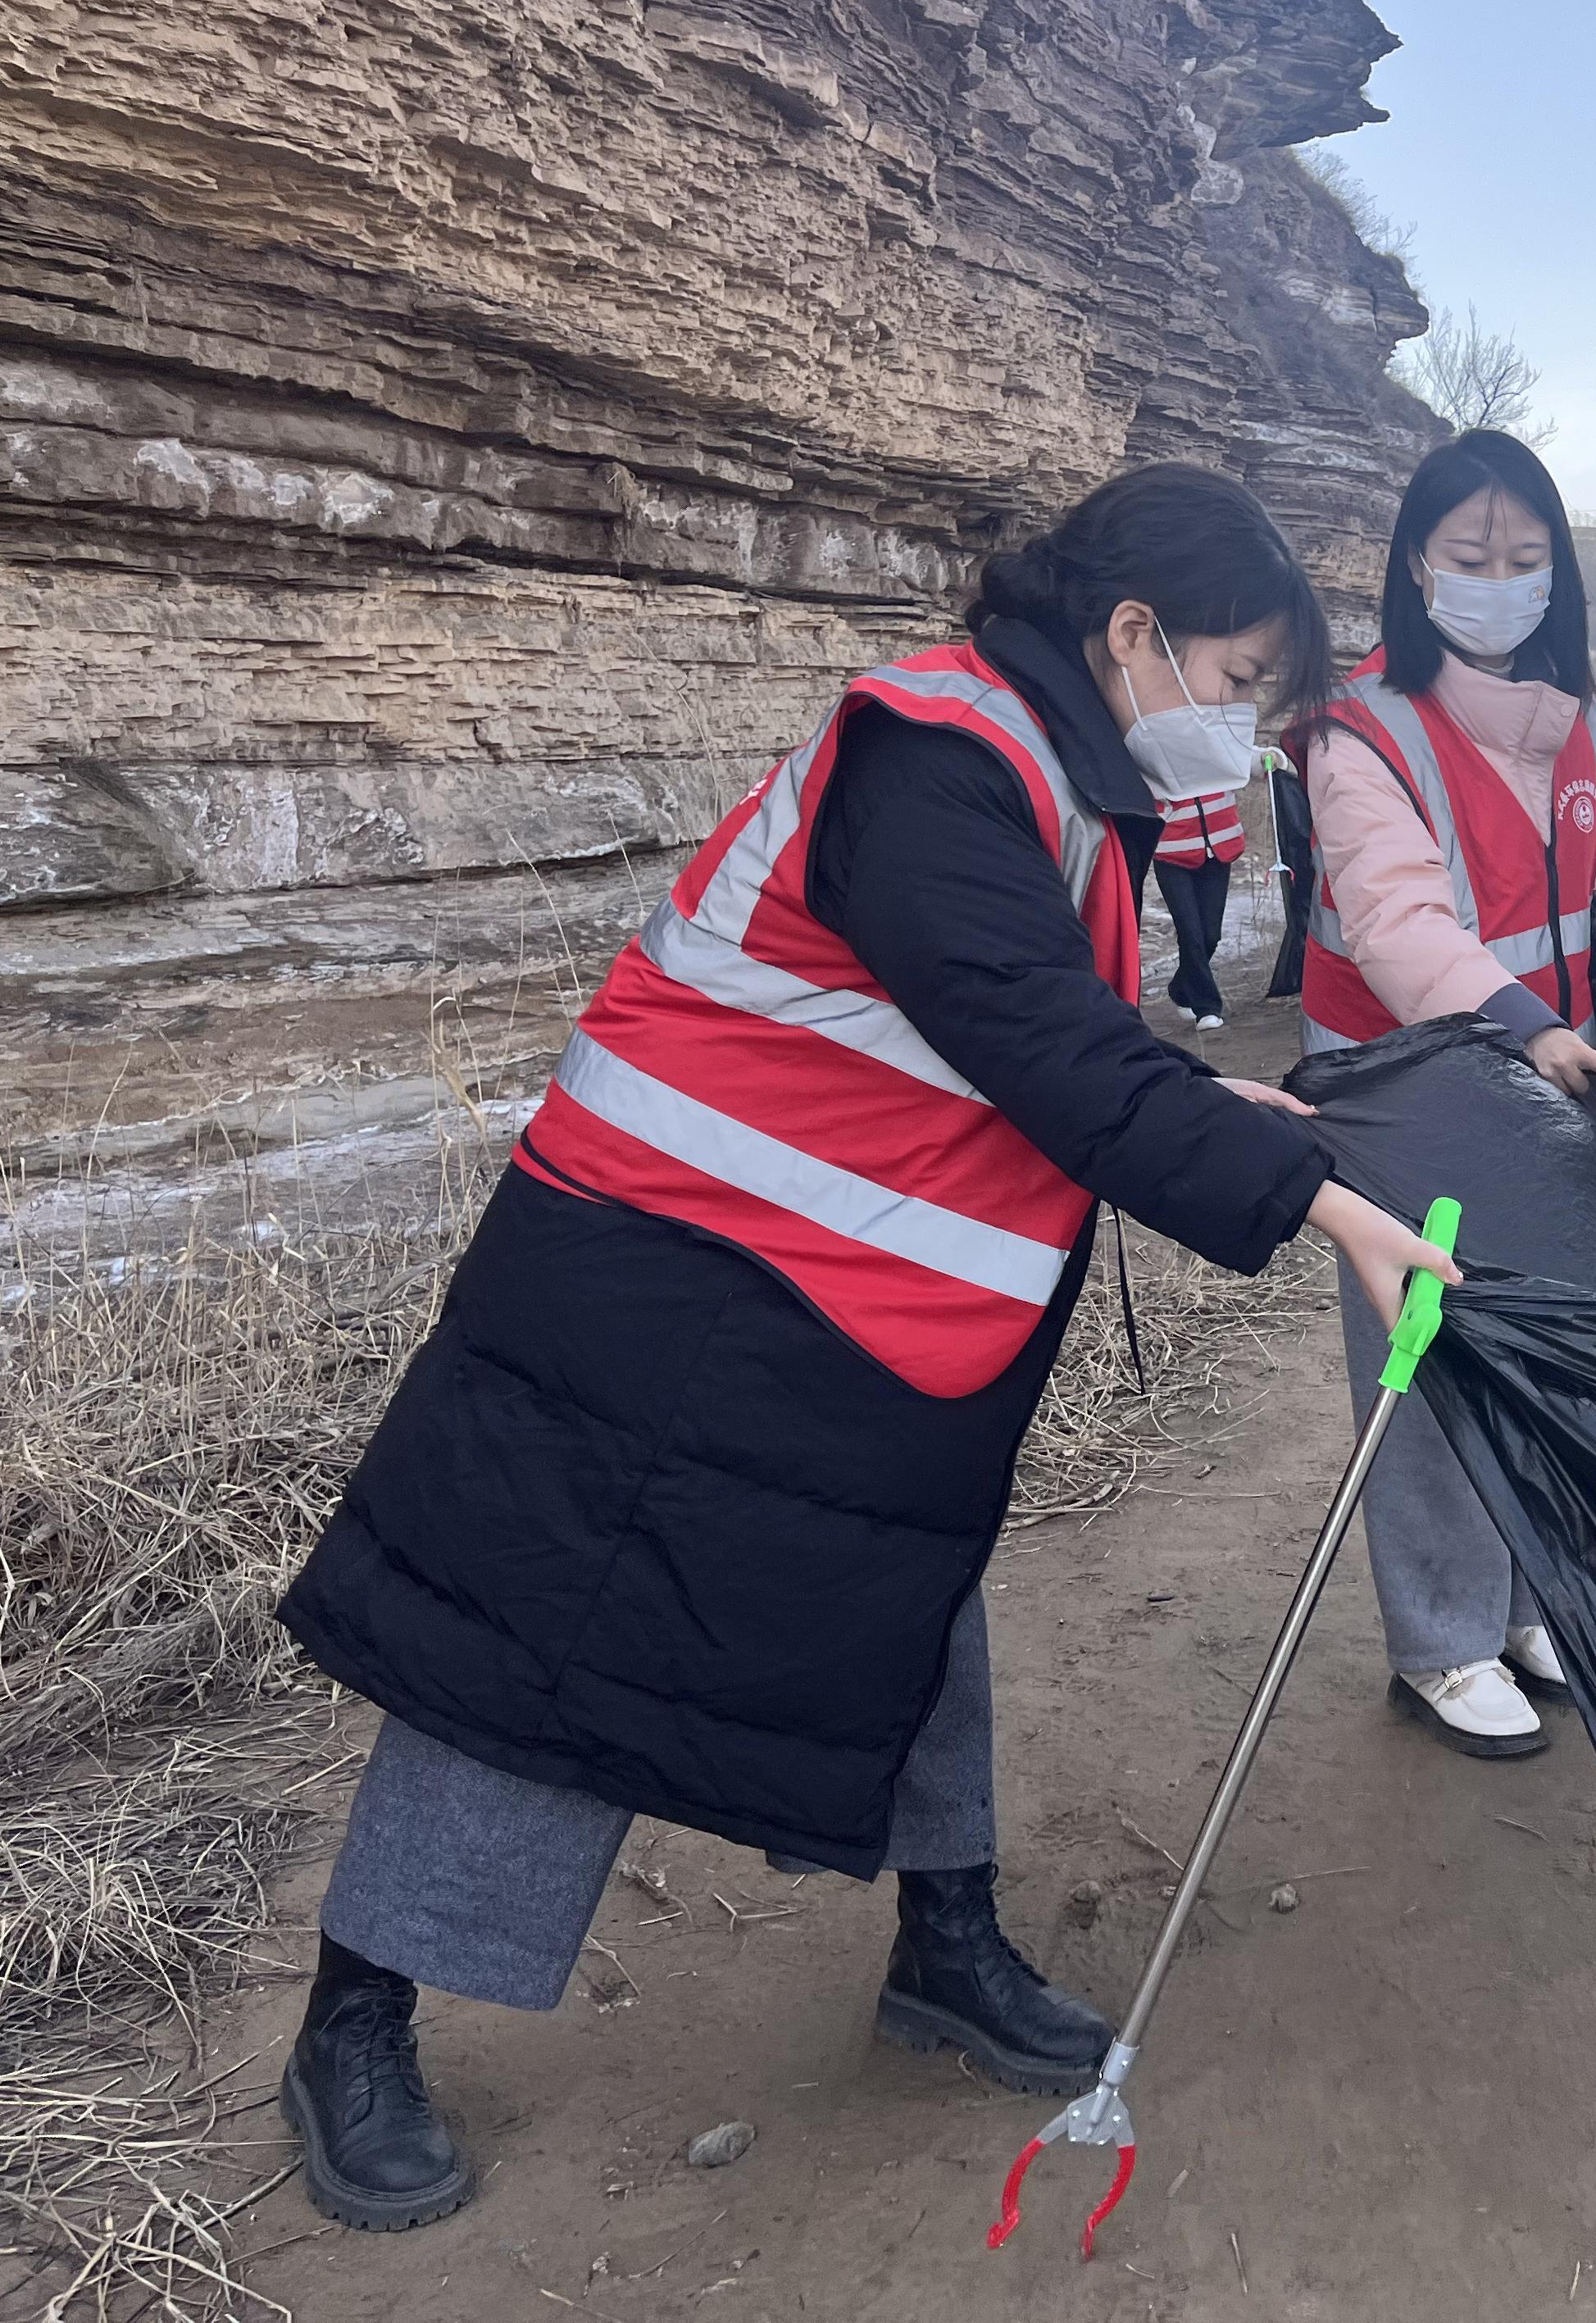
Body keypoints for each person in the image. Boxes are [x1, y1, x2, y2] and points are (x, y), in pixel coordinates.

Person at [269, 466, 1457, 2234]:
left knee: (905, 1594)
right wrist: (1317, 1202)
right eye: (1231, 682)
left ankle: (943, 1942)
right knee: (541, 1651)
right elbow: (1032, 1039)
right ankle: (353, 2019)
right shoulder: (939, 751)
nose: (1238, 730)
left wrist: (1202, 1093)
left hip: (854, 1307)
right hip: (671, 1283)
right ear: (1130, 635)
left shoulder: (1056, 778)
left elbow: (1006, 1028)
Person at [1288, 429, 1596, 1760]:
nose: (1501, 579)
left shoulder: (1565, 707)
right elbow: (1391, 921)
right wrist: (1525, 1023)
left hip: (1547, 1070)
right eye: (1471, 555)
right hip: (1413, 1085)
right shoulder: (1358, 728)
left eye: (1527, 555)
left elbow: (1587, 858)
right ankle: (1441, 1637)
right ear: (1415, 568)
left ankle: (1528, 1594)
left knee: (1538, 1337)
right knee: (1423, 1348)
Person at [1153, 778, 1248, 1029]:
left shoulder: (1214, 737)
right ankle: (1207, 1008)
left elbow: (1234, 754)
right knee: (1190, 931)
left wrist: (1261, 759)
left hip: (1218, 844)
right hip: (1171, 848)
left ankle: (1182, 988)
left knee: (1209, 934)